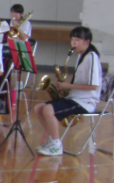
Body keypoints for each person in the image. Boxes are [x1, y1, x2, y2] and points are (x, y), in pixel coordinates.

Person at [32, 27, 102, 156]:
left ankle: (56, 145)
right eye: (72, 40)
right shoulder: (81, 56)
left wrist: (68, 85)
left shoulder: (91, 57)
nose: (73, 43)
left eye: (77, 40)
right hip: (75, 98)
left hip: (85, 101)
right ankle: (53, 140)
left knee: (48, 110)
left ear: (87, 42)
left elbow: (94, 86)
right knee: (38, 108)